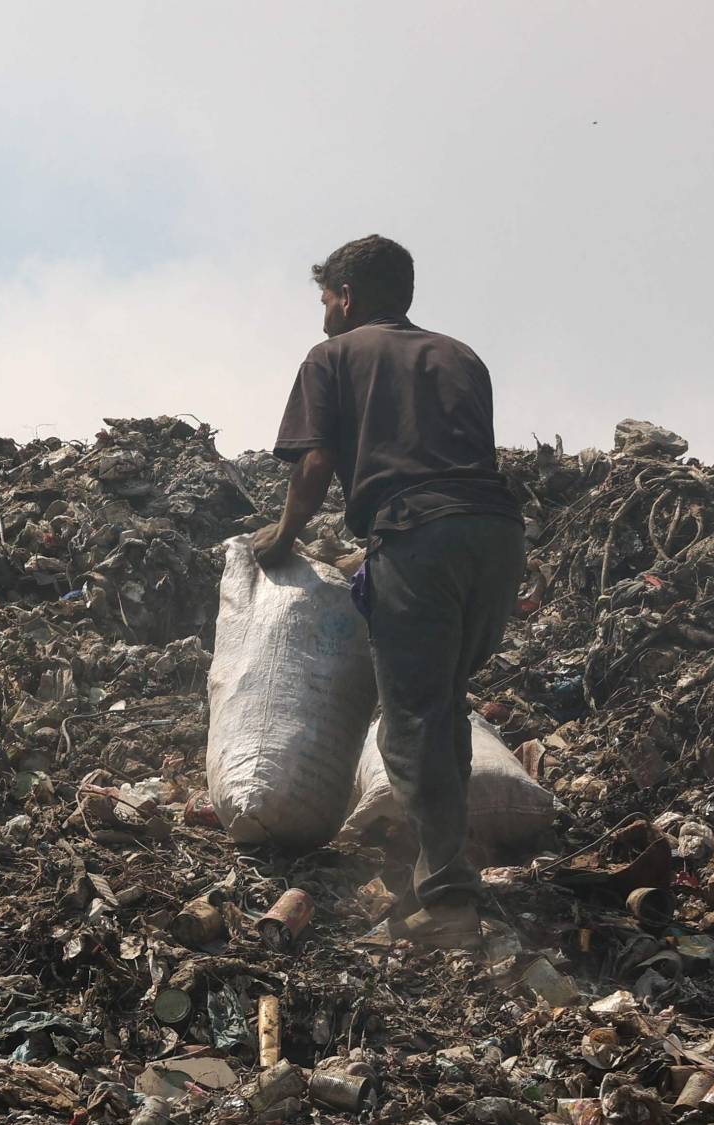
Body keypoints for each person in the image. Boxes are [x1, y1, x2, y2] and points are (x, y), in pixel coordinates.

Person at [254, 234, 525, 949]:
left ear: (345, 296)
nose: (321, 317)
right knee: (443, 706)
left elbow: (315, 464)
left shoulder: (333, 357)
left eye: (324, 301)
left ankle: (445, 901)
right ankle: (437, 871)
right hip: (497, 539)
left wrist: (282, 536)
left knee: (410, 720)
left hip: (417, 535)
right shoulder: (461, 356)